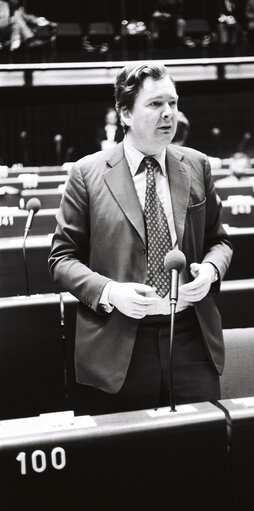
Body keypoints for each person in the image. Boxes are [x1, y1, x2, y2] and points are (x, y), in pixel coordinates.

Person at [48, 63, 232, 415]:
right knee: (130, 464)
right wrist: (111, 292)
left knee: (200, 454)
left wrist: (210, 270)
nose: (168, 114)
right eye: (154, 104)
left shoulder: (197, 165)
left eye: (173, 103)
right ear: (125, 113)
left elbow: (219, 241)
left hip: (191, 339)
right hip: (119, 343)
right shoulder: (87, 174)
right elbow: (61, 260)